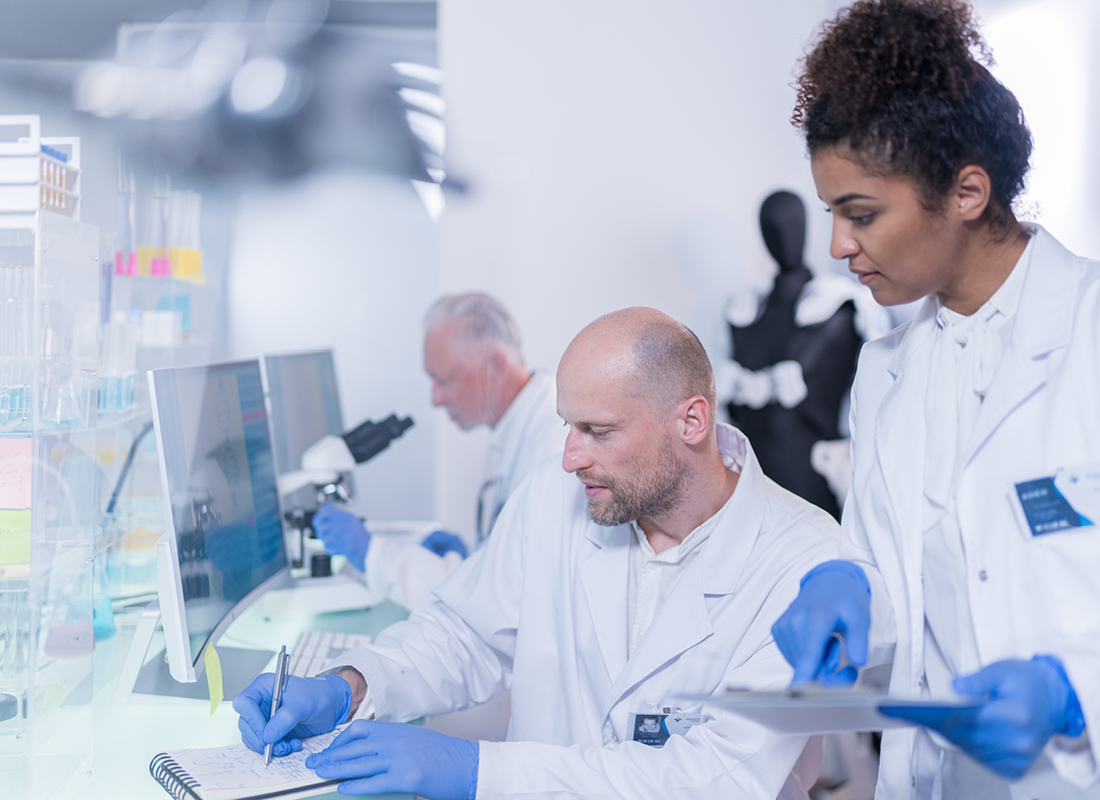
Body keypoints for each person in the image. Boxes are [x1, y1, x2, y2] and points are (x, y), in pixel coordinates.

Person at [234, 307, 841, 800]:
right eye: (567, 427)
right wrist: (354, 684)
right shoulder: (557, 494)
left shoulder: (802, 560)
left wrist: (481, 774)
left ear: (691, 422)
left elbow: (721, 779)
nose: (571, 456)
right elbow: (468, 633)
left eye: (598, 432)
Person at [770, 1, 1098, 797]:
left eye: (863, 214)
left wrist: (1072, 692)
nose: (840, 246)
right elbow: (906, 596)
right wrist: (850, 595)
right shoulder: (885, 374)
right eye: (834, 215)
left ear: (967, 192)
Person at [314, 292, 564, 610]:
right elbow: (504, 572)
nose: (436, 399)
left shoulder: (552, 445)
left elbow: (505, 602)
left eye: (443, 380)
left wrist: (375, 555)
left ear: (496, 368)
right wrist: (474, 557)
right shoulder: (521, 424)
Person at [720, 189, 890, 519]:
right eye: (772, 228)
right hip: (752, 489)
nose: (783, 236)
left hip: (815, 485)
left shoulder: (842, 305)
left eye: (790, 224)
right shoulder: (742, 313)